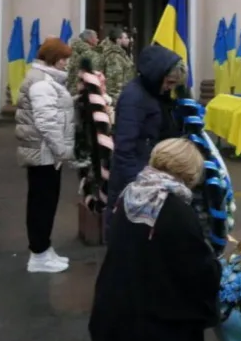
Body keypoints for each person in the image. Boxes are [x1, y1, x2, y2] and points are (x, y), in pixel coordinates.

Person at [36, 139, 220, 341]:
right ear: (187, 173)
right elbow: (199, 271)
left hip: (111, 313)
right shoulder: (174, 209)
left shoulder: (133, 192)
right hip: (146, 326)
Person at [16, 38, 76, 274]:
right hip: (45, 154)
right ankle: (39, 254)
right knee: (42, 204)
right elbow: (46, 122)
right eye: (64, 59)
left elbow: (54, 109)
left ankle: (43, 249)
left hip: (45, 153)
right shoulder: (42, 83)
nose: (66, 64)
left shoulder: (44, 80)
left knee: (44, 202)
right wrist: (61, 150)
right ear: (55, 59)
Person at [106, 45, 184, 226]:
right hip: (135, 177)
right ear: (157, 76)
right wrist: (139, 183)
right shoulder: (134, 98)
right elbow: (124, 148)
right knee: (127, 231)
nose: (168, 88)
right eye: (169, 83)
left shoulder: (153, 94)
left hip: (147, 171)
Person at [98, 28, 134, 107]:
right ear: (118, 40)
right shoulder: (114, 56)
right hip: (116, 102)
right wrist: (115, 102)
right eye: (126, 38)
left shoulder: (121, 54)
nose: (129, 40)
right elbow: (114, 82)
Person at [65, 30, 99, 96]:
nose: (98, 40)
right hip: (83, 91)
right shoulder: (89, 54)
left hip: (71, 89)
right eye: (96, 37)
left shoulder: (72, 50)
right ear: (90, 39)